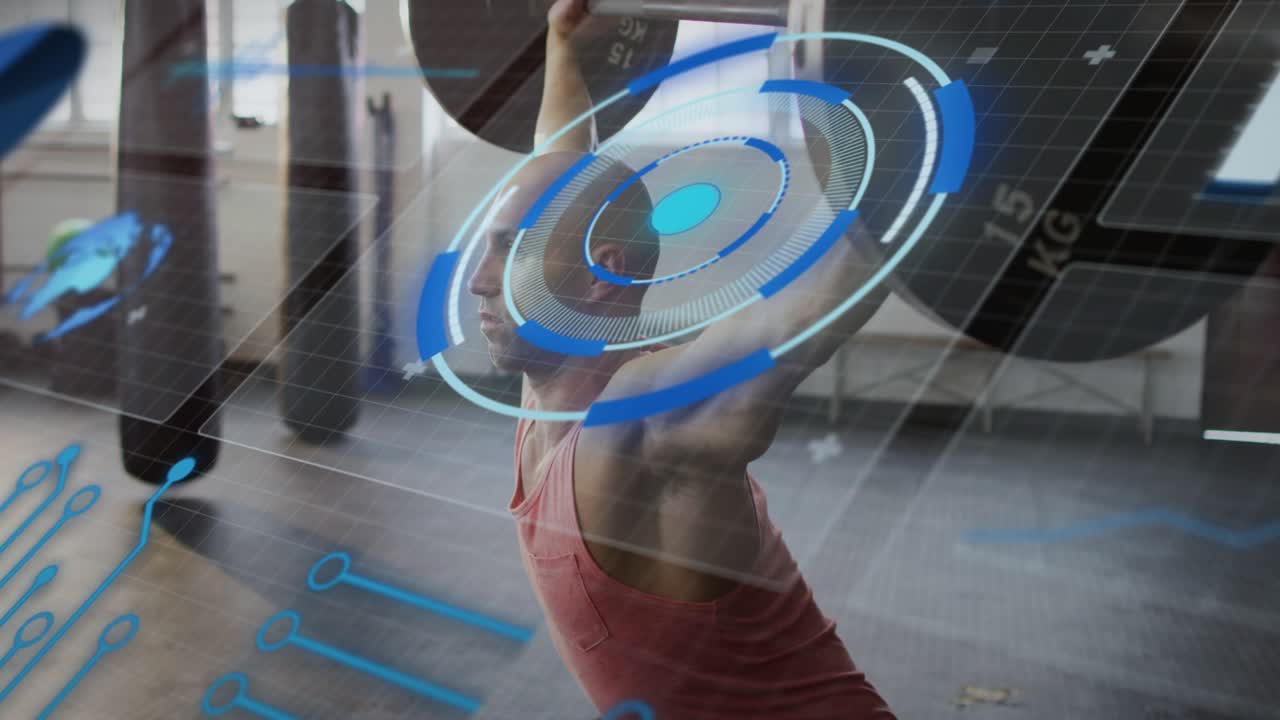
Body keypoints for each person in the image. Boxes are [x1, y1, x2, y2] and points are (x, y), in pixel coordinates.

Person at [467, 1, 897, 716]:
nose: (478, 280)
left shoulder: (647, 417)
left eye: (508, 252)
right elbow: (560, 167)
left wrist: (913, 113)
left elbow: (815, 304)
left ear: (601, 274)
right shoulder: (547, 383)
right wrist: (562, 46)